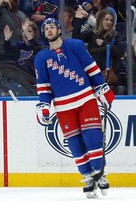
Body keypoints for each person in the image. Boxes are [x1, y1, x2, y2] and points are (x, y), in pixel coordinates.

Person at [34, 18, 115, 198]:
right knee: (75, 144)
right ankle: (87, 177)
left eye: (52, 27)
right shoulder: (41, 58)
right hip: (63, 107)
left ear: (59, 29)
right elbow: (44, 86)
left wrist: (101, 88)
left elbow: (91, 69)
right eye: (45, 28)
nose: (48, 30)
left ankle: (100, 175)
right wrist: (44, 106)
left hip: (86, 98)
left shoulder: (76, 45)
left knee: (92, 137)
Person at [72, 9, 126, 94]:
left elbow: (120, 52)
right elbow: (75, 39)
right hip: (94, 75)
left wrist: (105, 44)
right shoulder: (92, 34)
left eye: (111, 20)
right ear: (100, 20)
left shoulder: (115, 35)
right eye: (106, 19)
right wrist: (78, 19)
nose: (109, 22)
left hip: (111, 78)